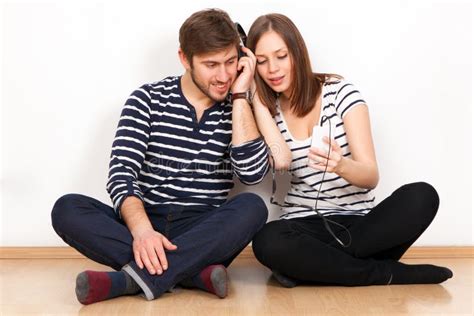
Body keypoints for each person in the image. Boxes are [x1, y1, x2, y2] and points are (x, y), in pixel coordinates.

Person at [51, 8, 269, 305]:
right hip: (144, 220)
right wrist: (142, 231)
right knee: (67, 208)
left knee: (253, 207)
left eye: (231, 62)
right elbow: (121, 174)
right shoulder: (147, 99)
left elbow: (252, 174)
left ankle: (127, 281)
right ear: (184, 58)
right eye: (211, 64)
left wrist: (242, 96)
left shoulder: (239, 105)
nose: (223, 75)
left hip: (202, 226)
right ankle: (192, 273)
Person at [247, 13, 453, 287]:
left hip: (359, 227)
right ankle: (388, 273)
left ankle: (312, 269)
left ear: (297, 53)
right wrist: (253, 95)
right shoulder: (266, 113)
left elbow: (370, 176)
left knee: (422, 195)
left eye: (281, 56)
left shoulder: (341, 93)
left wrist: (340, 164)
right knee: (266, 240)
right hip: (304, 228)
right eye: (261, 61)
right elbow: (280, 161)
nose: (272, 69)